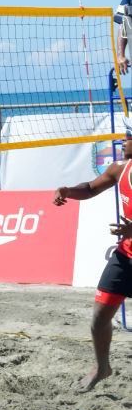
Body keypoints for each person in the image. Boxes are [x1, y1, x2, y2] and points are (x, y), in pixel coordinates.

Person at [54, 120, 132, 390]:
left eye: (128, 136)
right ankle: (102, 367)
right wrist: (68, 191)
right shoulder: (120, 169)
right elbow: (90, 188)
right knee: (99, 317)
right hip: (126, 256)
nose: (123, 141)